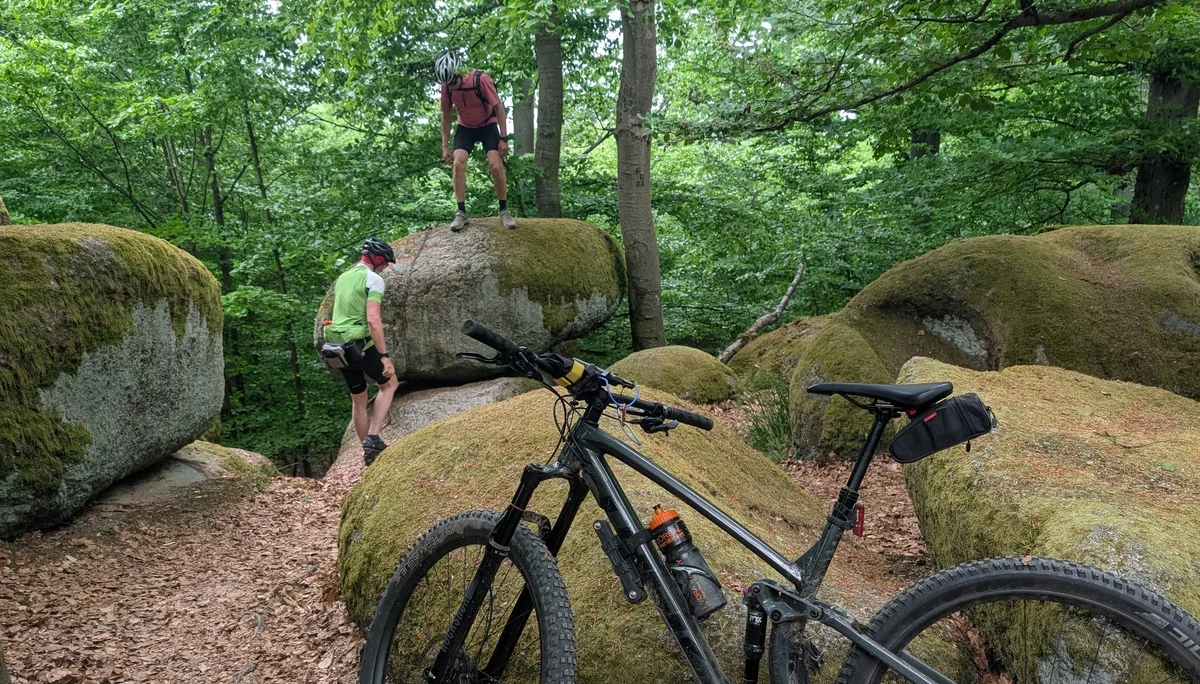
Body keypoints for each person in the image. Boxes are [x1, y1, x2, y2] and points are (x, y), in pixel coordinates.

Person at [323, 237, 399, 466]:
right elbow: (373, 319)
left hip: (337, 348)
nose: (386, 267)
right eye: (385, 262)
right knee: (389, 383)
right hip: (360, 345)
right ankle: (373, 439)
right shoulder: (373, 280)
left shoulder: (343, 278)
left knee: (358, 399)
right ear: (376, 259)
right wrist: (384, 356)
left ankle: (367, 451)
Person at [436, 51, 517, 232]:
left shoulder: (481, 79)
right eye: (447, 84)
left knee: (495, 165)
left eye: (453, 82)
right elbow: (446, 115)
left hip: (488, 124)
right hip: (466, 127)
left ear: (460, 73)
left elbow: (498, 107)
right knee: (458, 163)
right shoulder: (447, 86)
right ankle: (461, 211)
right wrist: (445, 146)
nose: (451, 86)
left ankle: (504, 209)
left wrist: (503, 138)